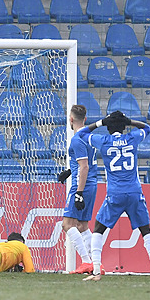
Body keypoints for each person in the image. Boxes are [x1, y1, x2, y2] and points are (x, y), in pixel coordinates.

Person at [76, 111, 150, 282]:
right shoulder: (133, 137)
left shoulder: (103, 141)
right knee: (146, 231)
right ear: (124, 126)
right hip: (134, 192)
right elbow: (147, 128)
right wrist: (129, 121)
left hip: (115, 194)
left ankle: (96, 272)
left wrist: (100, 123)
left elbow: (81, 133)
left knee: (98, 230)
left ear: (108, 127)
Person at [57, 105, 102, 275]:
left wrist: (79, 193)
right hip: (92, 184)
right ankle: (96, 264)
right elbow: (85, 162)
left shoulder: (77, 139)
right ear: (85, 118)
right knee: (82, 226)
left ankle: (85, 261)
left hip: (81, 185)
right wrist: (69, 172)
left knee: (67, 224)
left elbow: (84, 167)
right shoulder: (90, 136)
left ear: (71, 119)